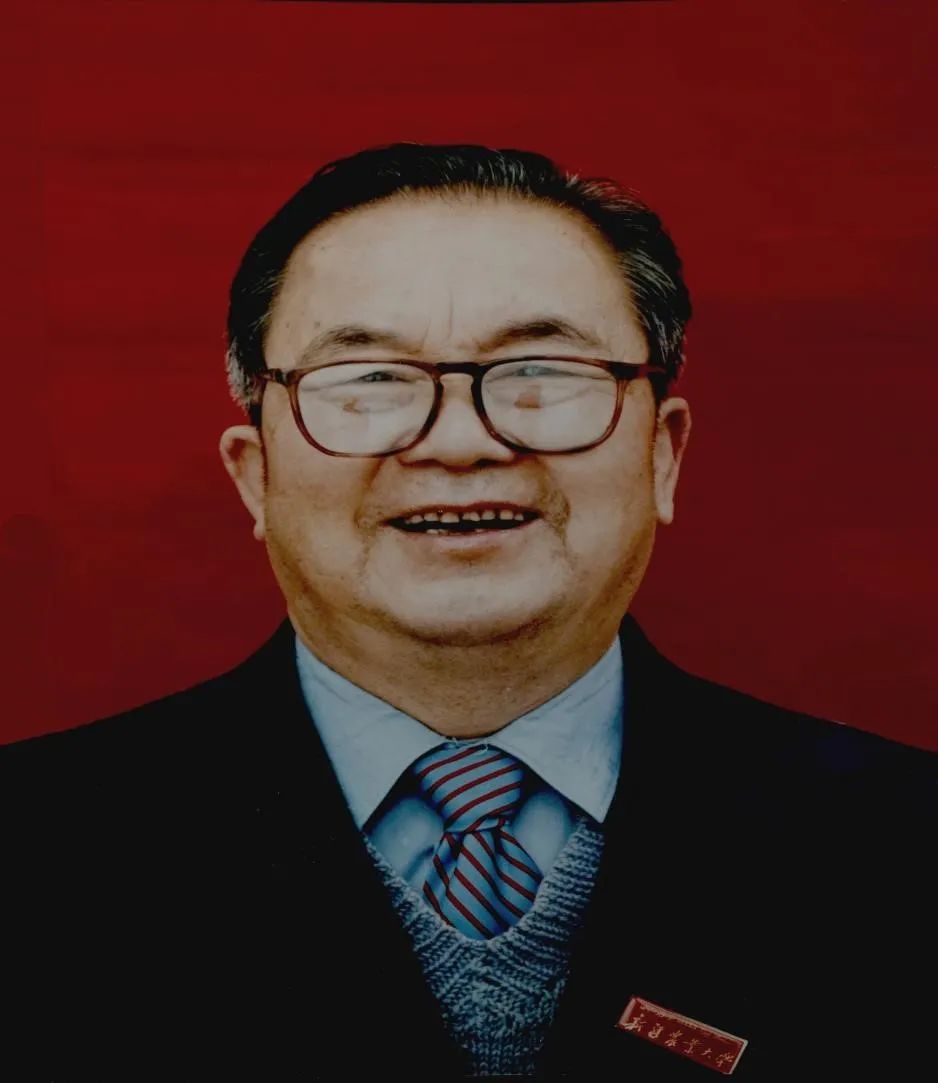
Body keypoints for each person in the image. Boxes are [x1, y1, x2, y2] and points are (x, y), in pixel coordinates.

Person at [3, 144, 934, 1080]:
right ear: (256, 476)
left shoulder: (899, 848)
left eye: (541, 371)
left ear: (663, 454)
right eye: (371, 380)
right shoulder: (37, 850)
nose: (458, 441)